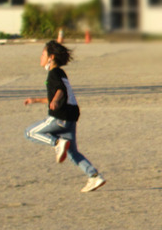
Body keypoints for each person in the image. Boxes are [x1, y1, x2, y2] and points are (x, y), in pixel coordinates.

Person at [23, 41, 106, 193]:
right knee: (72, 152)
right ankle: (94, 176)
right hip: (71, 118)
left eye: (43, 54)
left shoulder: (53, 73)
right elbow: (58, 94)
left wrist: (55, 100)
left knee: (29, 132)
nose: (40, 57)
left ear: (51, 57)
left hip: (59, 118)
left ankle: (57, 143)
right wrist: (36, 100)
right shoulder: (60, 73)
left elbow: (60, 92)